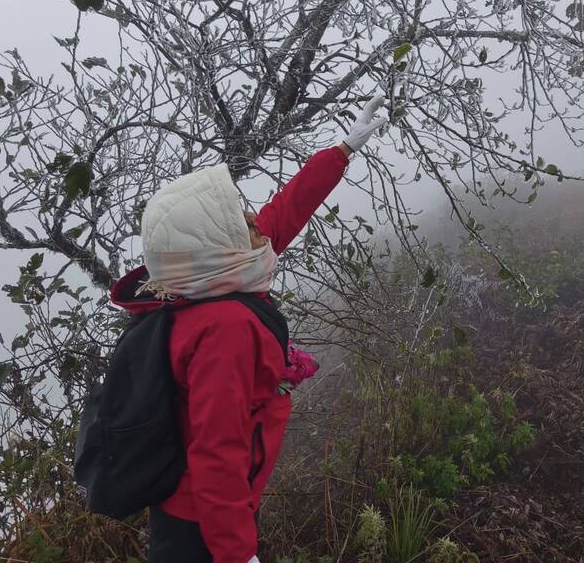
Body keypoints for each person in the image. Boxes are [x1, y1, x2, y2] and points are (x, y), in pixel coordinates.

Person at [107, 96, 388, 563]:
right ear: (216, 248)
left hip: (195, 511)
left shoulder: (204, 283)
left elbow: (284, 213)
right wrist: (237, 554)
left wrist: (340, 151)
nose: (253, 219)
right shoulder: (227, 329)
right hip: (201, 527)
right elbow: (217, 456)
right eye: (237, 219)